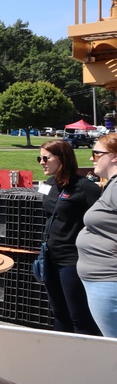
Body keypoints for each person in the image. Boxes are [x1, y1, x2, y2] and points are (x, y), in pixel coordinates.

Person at [38, 140, 101, 335]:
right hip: (49, 256)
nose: (41, 162)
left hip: (72, 259)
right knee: (58, 313)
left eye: (46, 158)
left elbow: (102, 219)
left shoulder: (85, 188)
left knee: (79, 316)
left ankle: (85, 359)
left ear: (62, 159)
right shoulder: (49, 184)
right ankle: (60, 357)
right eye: (39, 158)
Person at [76, 134, 117, 337]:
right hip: (102, 281)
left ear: (114, 157)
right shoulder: (111, 184)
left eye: (96, 153)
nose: (92, 159)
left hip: (109, 282)